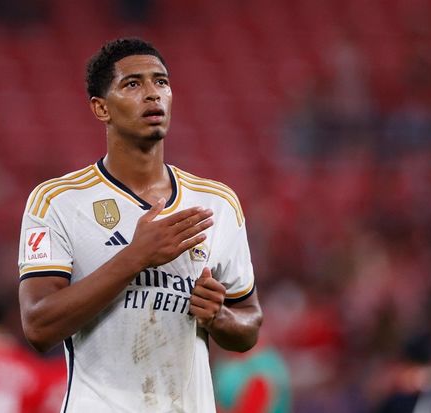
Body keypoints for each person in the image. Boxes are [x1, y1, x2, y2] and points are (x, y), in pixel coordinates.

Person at [17, 37, 262, 412]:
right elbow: (38, 327)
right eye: (133, 84)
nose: (153, 94)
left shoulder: (218, 204)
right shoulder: (57, 201)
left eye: (161, 82)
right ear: (101, 108)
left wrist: (219, 316)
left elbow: (249, 324)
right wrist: (135, 257)